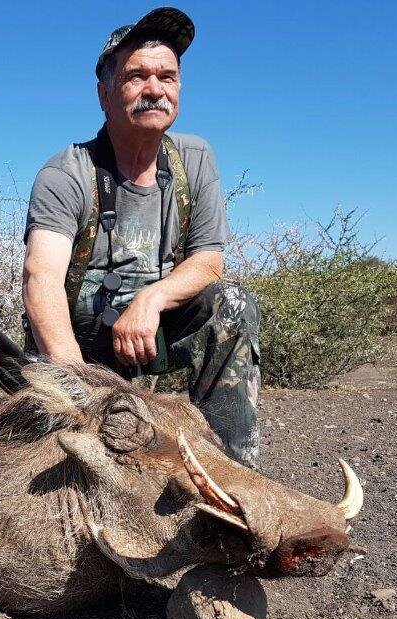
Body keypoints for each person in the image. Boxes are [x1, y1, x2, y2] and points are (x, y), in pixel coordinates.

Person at [21, 7, 262, 468]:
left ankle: (232, 480)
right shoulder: (65, 171)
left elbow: (209, 263)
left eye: (167, 77)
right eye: (137, 77)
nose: (155, 90)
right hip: (74, 347)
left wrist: (149, 301)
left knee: (232, 303)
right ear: (104, 94)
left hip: (149, 334)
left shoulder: (195, 157)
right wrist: (76, 383)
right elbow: (42, 277)